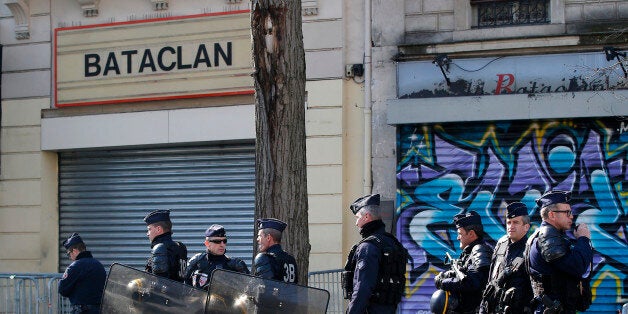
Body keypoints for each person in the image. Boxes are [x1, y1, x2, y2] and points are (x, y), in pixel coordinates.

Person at [524, 190, 593, 314]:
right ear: (552, 215)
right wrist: (583, 239)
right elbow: (577, 266)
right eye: (567, 212)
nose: (571, 216)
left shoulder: (545, 235)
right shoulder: (548, 236)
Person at [343, 194, 408, 314]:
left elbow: (363, 288)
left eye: (357, 218)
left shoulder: (368, 247)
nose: (356, 223)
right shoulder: (393, 243)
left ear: (367, 216)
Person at [434, 210, 493, 313]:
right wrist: (446, 275)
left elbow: (474, 282)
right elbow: (465, 273)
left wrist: (444, 283)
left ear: (471, 234)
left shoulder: (479, 250)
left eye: (460, 234)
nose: (457, 238)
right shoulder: (470, 251)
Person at [479, 202, 533, 314]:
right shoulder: (501, 244)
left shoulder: (531, 249)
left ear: (526, 227)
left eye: (516, 222)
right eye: (508, 222)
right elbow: (491, 280)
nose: (511, 226)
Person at [184, 224, 249, 289]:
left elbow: (249, 289)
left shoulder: (236, 265)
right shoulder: (196, 261)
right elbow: (184, 286)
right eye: (217, 241)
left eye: (224, 241)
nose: (222, 245)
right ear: (207, 243)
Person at [58, 233, 107, 314]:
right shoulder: (98, 265)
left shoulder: (75, 266)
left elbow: (62, 289)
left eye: (68, 254)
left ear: (74, 251)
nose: (70, 257)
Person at [144, 209, 188, 282]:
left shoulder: (160, 248)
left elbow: (159, 284)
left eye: (149, 229)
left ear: (158, 229)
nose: (147, 233)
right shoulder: (180, 247)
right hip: (178, 293)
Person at [253, 218, 298, 283]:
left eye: (259, 236)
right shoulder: (291, 259)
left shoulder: (265, 258)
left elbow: (264, 289)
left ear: (268, 237)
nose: (257, 239)